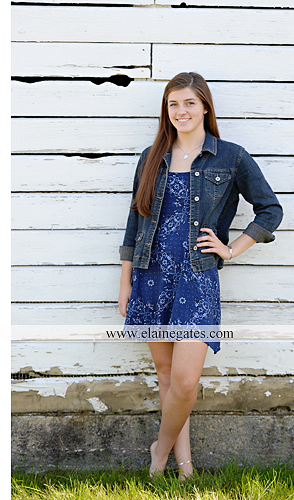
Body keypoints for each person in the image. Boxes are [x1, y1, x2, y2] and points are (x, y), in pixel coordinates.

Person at [117, 72, 282, 479]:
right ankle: (185, 467)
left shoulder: (231, 156)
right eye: (173, 104)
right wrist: (125, 282)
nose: (181, 111)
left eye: (189, 103)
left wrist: (231, 249)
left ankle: (160, 450)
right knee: (166, 377)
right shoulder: (151, 156)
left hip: (197, 278)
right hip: (151, 275)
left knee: (186, 381)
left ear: (205, 106)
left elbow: (270, 210)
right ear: (166, 111)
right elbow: (135, 222)